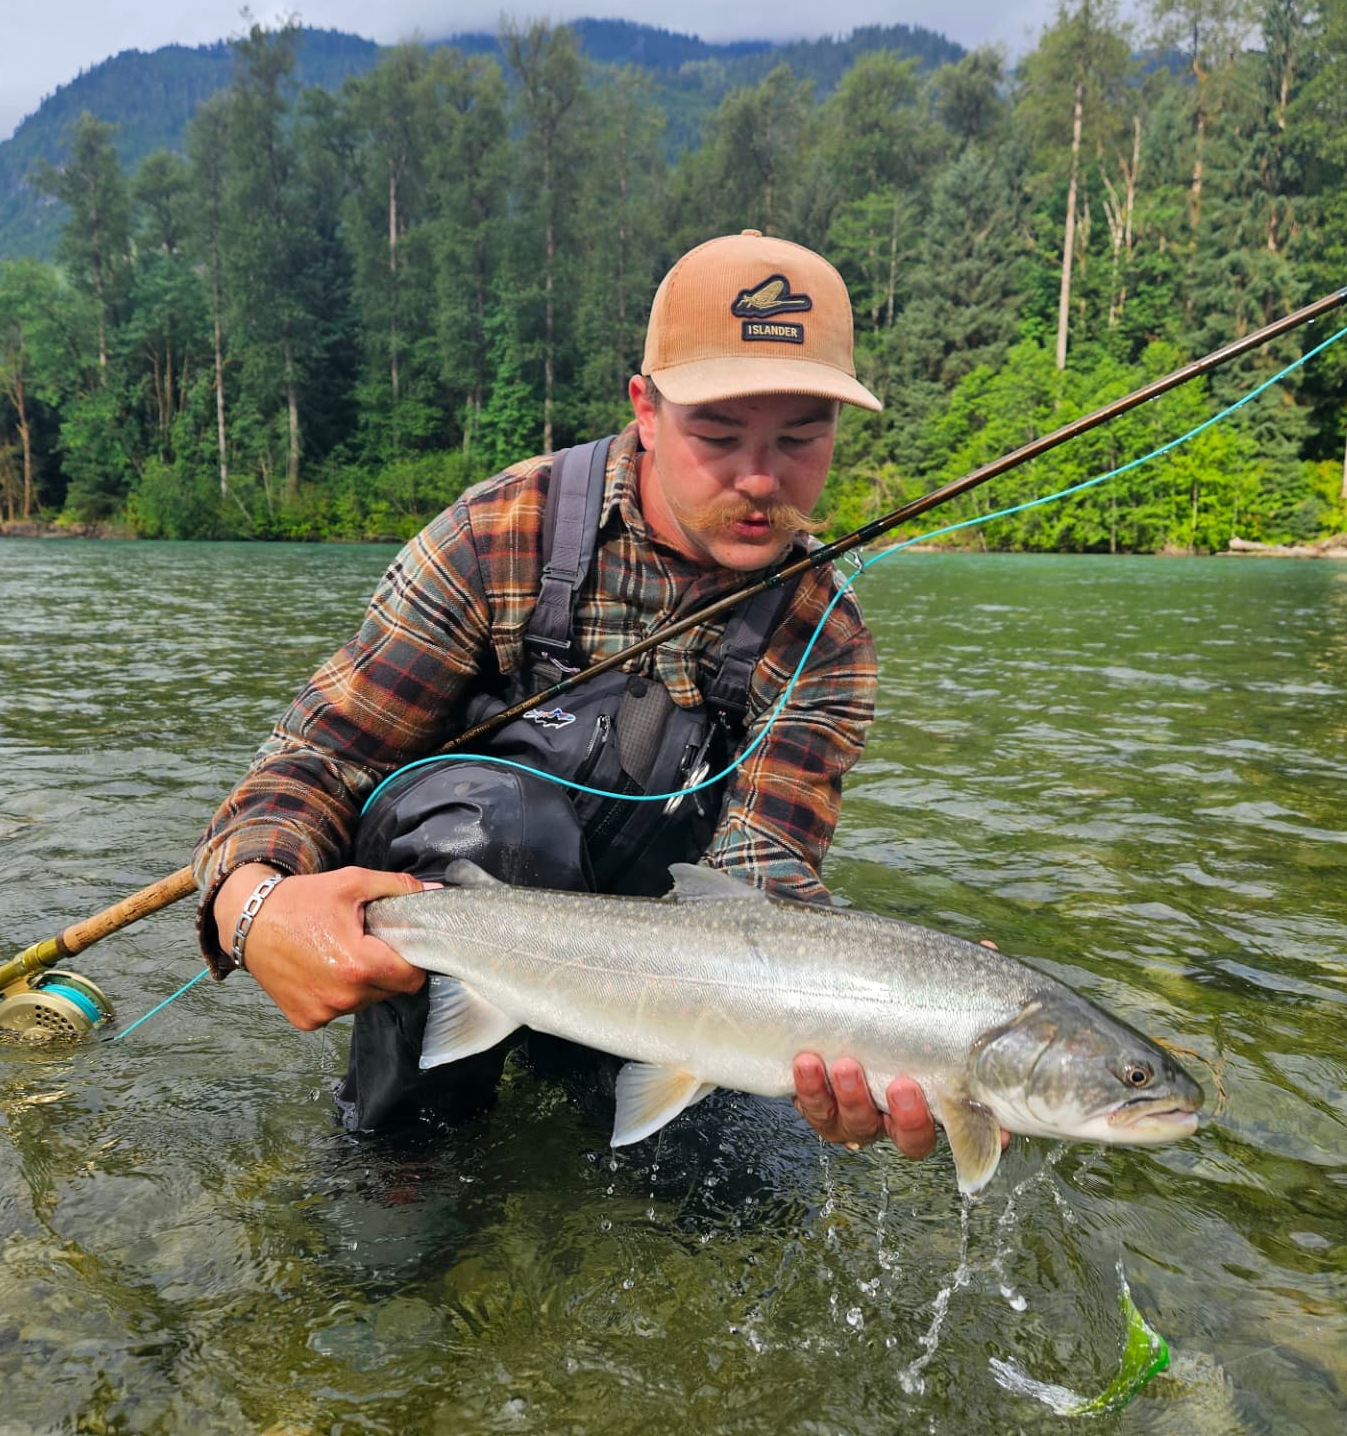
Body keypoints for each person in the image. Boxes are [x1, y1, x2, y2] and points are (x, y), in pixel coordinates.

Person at [191, 229, 941, 1162]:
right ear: (647, 408)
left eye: (801, 437)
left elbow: (760, 877)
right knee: (497, 825)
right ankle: (405, 1149)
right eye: (717, 435)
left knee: (737, 1203)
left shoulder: (825, 635)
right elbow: (318, 758)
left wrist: (919, 997)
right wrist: (252, 905)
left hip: (657, 967)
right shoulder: (497, 534)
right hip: (456, 907)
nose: (760, 480)